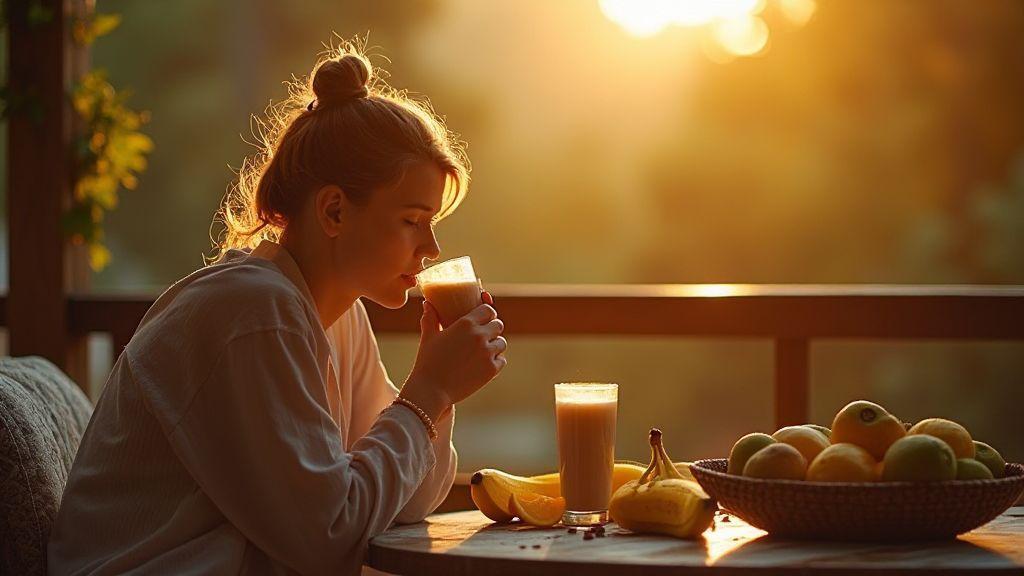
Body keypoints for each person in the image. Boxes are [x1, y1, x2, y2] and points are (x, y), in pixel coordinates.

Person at [48, 45, 506, 576]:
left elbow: (401, 502)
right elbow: (327, 536)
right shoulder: (252, 311)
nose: (431, 247)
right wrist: (429, 392)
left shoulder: (339, 316)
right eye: (411, 219)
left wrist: (439, 391)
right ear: (334, 210)